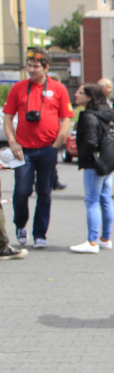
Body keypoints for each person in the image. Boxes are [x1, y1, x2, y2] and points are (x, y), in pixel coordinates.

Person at [3, 47, 74, 249]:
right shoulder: (18, 88)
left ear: (46, 67)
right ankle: (20, 224)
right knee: (22, 191)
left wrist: (57, 144)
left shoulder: (58, 89)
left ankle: (40, 234)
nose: (32, 70)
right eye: (29, 66)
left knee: (44, 192)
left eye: (36, 67)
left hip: (47, 149)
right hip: (23, 149)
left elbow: (67, 118)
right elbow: (7, 117)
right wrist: (12, 141)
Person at [69, 84, 114, 254]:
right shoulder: (105, 111)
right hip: (107, 160)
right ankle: (105, 238)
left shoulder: (88, 116)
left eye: (80, 92)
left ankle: (92, 241)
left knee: (91, 201)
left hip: (94, 163)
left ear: (89, 97)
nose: (76, 94)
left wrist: (85, 156)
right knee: (105, 198)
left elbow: (90, 141)